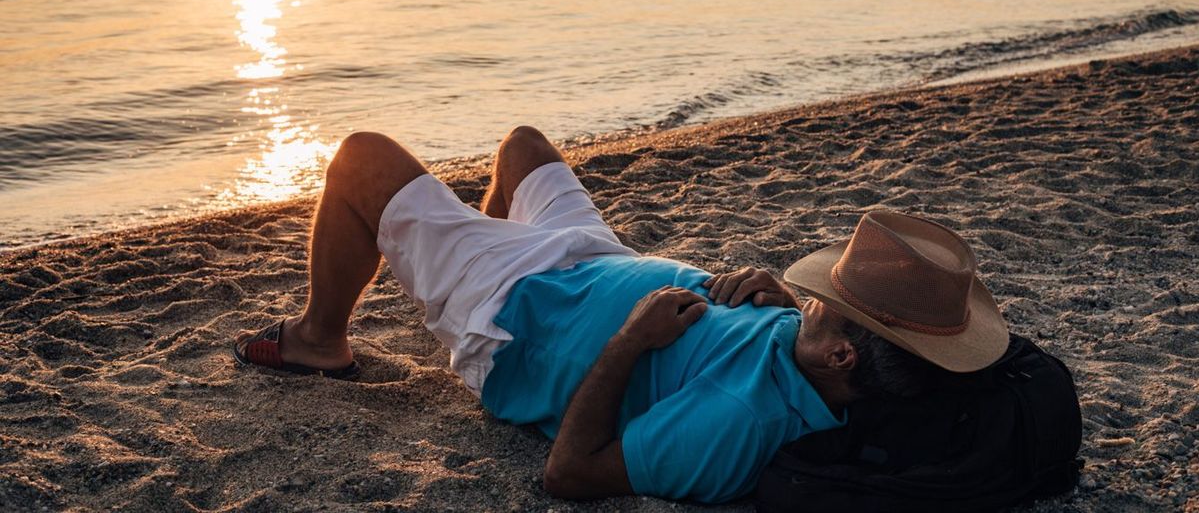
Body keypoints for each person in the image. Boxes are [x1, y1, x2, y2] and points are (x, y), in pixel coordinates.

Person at [234, 127, 1009, 503]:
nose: (810, 300)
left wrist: (632, 338)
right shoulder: (826, 357)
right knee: (523, 147)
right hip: (593, 259)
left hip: (512, 318)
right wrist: (767, 294)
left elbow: (569, 473)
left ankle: (320, 339)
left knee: (362, 157)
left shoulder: (736, 419)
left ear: (844, 354)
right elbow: (777, 335)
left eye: (824, 304)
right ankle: (464, 245)